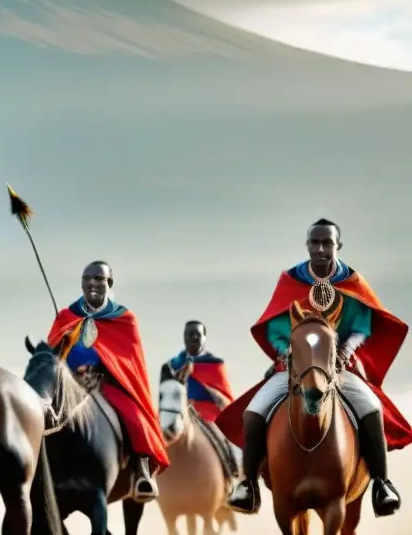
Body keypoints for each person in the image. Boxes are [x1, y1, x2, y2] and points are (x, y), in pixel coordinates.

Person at [218, 219, 411, 516]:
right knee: (253, 412)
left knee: (372, 408)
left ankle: (381, 484)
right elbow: (275, 328)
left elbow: (362, 326)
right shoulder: (290, 281)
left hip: (338, 369)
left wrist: (346, 349)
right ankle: (249, 485)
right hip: (295, 369)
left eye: (327, 243)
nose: (320, 248)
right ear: (307, 245)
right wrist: (289, 353)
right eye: (315, 243)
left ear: (338, 246)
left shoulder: (352, 283)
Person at [47, 261, 169, 501]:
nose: (92, 283)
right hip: (69, 382)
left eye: (99, 279)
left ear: (109, 283)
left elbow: (128, 362)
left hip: (108, 383)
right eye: (87, 278)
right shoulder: (66, 315)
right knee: (39, 410)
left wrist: (99, 370)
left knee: (134, 413)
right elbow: (52, 354)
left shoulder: (124, 318)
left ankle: (142, 470)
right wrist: (61, 351)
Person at [159, 320, 239, 478]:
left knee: (222, 440)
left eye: (198, 334)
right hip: (179, 412)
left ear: (204, 337)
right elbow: (165, 394)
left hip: (208, 413)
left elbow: (225, 399)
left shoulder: (215, 364)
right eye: (190, 334)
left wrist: (211, 391)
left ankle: (232, 476)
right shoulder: (170, 366)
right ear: (184, 337)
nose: (194, 337)